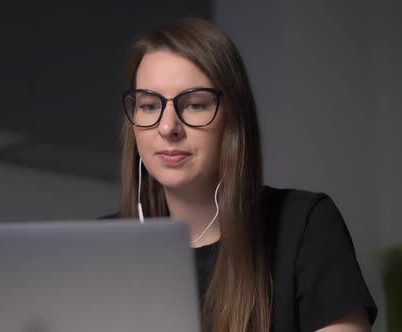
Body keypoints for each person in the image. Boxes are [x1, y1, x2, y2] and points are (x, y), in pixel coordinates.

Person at [107, 18, 377, 331]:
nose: (168, 127)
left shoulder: (304, 227)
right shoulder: (99, 248)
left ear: (233, 119)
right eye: (150, 105)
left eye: (194, 105)